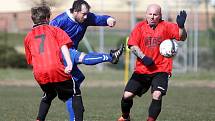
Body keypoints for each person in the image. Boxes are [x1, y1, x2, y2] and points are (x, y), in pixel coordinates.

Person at [50, 0, 124, 120]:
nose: (86, 17)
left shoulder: (86, 17)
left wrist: (109, 19)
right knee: (82, 57)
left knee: (76, 83)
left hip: (70, 53)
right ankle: (111, 57)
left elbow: (98, 19)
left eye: (87, 14)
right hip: (61, 53)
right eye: (83, 14)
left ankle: (72, 112)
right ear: (75, 11)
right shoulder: (60, 21)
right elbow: (47, 34)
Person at [118, 4, 187, 121]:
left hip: (161, 69)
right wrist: (144, 57)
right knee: (127, 96)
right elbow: (132, 46)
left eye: (155, 14)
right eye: (150, 14)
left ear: (160, 16)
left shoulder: (166, 26)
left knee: (157, 95)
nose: (152, 17)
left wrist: (181, 27)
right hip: (142, 70)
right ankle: (125, 117)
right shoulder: (139, 27)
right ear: (146, 15)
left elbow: (183, 37)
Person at [24, 5, 78, 121]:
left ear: (33, 19)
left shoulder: (28, 37)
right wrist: (69, 63)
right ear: (48, 18)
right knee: (75, 93)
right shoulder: (55, 30)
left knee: (49, 94)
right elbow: (64, 46)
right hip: (56, 69)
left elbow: (30, 61)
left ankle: (39, 119)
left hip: (39, 73)